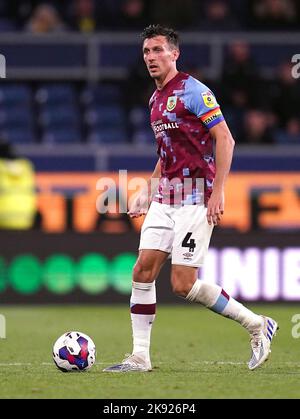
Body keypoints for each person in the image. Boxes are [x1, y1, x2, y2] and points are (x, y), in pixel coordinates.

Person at [103, 24, 278, 373]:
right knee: (142, 271)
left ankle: (258, 325)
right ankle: (140, 357)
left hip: (196, 197)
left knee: (182, 284)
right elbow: (166, 154)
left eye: (158, 51)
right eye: (146, 52)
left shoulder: (194, 91)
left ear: (174, 53)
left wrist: (218, 191)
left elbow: (225, 140)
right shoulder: (154, 100)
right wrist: (148, 191)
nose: (151, 57)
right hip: (166, 198)